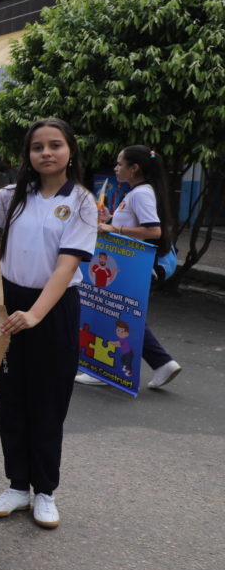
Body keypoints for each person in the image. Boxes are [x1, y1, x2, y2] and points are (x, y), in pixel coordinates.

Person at [0, 118, 97, 530]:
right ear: (27, 155)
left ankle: (45, 491)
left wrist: (35, 314)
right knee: (12, 399)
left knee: (48, 403)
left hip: (52, 308)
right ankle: (16, 486)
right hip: (11, 303)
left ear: (70, 150)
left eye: (55, 145)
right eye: (37, 147)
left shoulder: (82, 202)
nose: (46, 153)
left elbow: (67, 267)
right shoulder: (15, 195)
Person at [75, 145, 182, 389]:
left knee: (119, 318)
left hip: (137, 268)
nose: (116, 168)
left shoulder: (141, 193)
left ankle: (103, 370)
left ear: (134, 168)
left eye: (120, 163)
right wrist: (109, 219)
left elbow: (153, 230)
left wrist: (114, 228)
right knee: (122, 317)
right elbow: (134, 226)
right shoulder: (136, 192)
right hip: (128, 266)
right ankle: (162, 363)